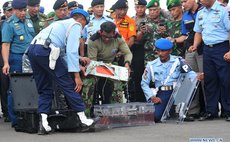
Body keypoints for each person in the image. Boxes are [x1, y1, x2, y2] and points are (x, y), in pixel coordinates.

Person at [27, 8, 95, 135]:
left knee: (45, 88)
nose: (83, 28)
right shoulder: (75, 25)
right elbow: (71, 51)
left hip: (33, 50)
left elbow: (63, 54)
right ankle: (83, 119)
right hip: (47, 52)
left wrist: (77, 64)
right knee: (68, 84)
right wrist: (76, 76)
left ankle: (43, 123)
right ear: (82, 19)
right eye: (85, 24)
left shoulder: (58, 23)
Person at [191, 0, 230, 121]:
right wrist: (195, 45)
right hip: (207, 49)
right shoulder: (201, 13)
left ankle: (227, 111)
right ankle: (211, 111)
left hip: (222, 47)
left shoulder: (223, 11)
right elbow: (198, 31)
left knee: (225, 80)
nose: (200, 1)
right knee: (209, 80)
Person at [141, 38, 197, 122]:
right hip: (163, 93)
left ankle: (181, 110)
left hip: (177, 91)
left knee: (191, 83)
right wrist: (151, 97)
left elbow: (190, 73)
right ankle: (170, 111)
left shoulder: (178, 61)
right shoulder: (151, 65)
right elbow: (144, 83)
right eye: (158, 51)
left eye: (163, 51)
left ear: (170, 51)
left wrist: (197, 76)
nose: (160, 54)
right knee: (156, 117)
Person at [1, 0, 35, 127]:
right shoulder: (9, 24)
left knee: (31, 86)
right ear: (14, 10)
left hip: (30, 57)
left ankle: (29, 115)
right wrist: (6, 63)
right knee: (15, 89)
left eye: (24, 10)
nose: (22, 13)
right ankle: (15, 119)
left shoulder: (28, 20)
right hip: (16, 58)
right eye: (20, 10)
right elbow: (5, 44)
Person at [87, 21, 132, 105]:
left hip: (111, 63)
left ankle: (115, 107)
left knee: (117, 83)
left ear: (114, 33)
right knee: (89, 83)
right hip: (96, 65)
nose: (107, 39)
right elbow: (93, 61)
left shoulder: (118, 38)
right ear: (100, 32)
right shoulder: (93, 40)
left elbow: (128, 53)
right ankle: (89, 110)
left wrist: (127, 63)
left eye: (110, 37)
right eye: (104, 36)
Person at [137, 0, 170, 65]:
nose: (152, 12)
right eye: (150, 10)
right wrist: (141, 32)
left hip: (163, 54)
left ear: (159, 9)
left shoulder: (166, 22)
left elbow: (171, 37)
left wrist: (164, 32)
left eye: (154, 10)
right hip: (149, 55)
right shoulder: (144, 22)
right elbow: (138, 39)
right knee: (149, 73)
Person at [130, 0, 147, 102]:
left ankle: (143, 99)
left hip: (144, 48)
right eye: (137, 7)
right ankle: (136, 99)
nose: (140, 9)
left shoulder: (148, 19)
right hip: (132, 48)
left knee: (142, 75)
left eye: (142, 7)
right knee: (135, 76)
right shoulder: (131, 20)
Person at [0, 1, 13, 123]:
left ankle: (12, 112)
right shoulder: (3, 25)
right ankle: (6, 112)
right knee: (4, 87)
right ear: (4, 12)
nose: (12, 12)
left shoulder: (18, 23)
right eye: (9, 10)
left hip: (12, 59)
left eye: (12, 10)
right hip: (2, 60)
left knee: (13, 85)